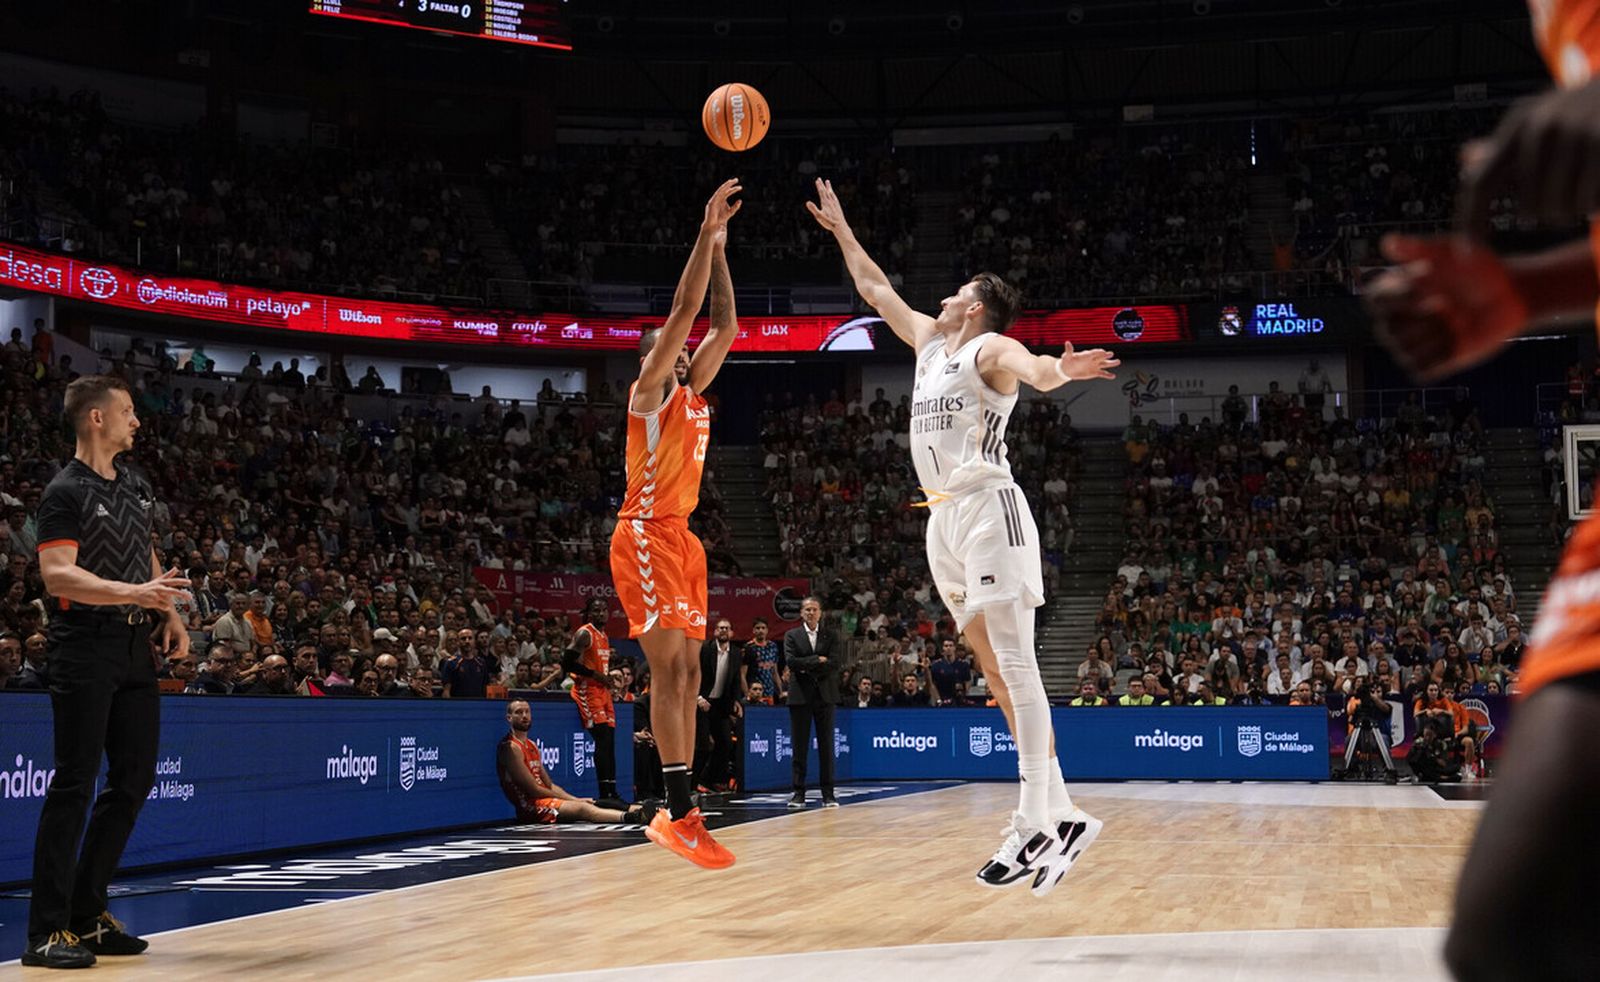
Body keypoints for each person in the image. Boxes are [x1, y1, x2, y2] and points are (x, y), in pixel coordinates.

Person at [810, 176, 1115, 896]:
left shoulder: (990, 349)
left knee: (1017, 662)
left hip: (988, 509)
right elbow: (876, 289)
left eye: (955, 291)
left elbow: (1033, 368)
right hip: (941, 517)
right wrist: (843, 231)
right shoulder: (928, 344)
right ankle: (1064, 811)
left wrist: (1058, 371)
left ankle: (1034, 819)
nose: (942, 296)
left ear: (974, 307)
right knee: (995, 670)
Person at [23, 375, 192, 969]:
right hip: (82, 646)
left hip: (131, 649)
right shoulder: (63, 492)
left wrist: (166, 610)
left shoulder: (137, 485)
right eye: (127, 412)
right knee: (74, 783)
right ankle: (45, 932)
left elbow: (143, 550)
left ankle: (87, 916)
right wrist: (135, 593)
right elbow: (58, 575)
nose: (136, 421)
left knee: (134, 778)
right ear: (96, 419)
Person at [607, 179, 742, 869]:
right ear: (651, 356)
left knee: (690, 671)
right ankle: (678, 809)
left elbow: (726, 325)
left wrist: (720, 248)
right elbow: (689, 311)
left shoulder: (692, 391)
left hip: (681, 539)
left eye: (683, 350)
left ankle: (684, 810)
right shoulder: (649, 393)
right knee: (667, 669)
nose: (683, 350)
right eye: (669, 346)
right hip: (643, 531)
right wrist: (701, 230)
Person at [496, 701, 654, 826]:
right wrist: (574, 801)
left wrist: (573, 797)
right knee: (582, 808)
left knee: (598, 802)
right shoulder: (510, 748)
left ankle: (650, 812)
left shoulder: (531, 744)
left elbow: (549, 785)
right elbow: (534, 790)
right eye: (519, 712)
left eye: (527, 712)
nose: (524, 716)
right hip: (529, 806)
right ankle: (631, 817)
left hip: (544, 799)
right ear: (509, 718)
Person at [782, 597, 841, 808]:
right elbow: (791, 662)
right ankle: (798, 793)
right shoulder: (792, 635)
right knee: (799, 747)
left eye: (814, 609)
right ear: (801, 613)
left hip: (825, 696)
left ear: (820, 613)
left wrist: (806, 664)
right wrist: (817, 660)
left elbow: (834, 663)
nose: (811, 613)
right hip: (800, 697)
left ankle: (829, 794)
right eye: (807, 609)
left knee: (826, 747)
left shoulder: (831, 635)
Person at [563, 598, 621, 806]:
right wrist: (594, 674)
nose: (601, 614)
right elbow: (566, 661)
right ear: (589, 613)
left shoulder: (603, 635)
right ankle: (604, 792)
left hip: (603, 691)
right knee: (603, 739)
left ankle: (612, 792)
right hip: (588, 690)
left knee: (610, 740)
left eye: (604, 610)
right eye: (596, 610)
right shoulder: (584, 633)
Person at [695, 618, 742, 793]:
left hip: (721, 704)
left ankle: (711, 781)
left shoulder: (736, 653)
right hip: (701, 702)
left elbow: (736, 680)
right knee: (703, 745)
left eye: (727, 628)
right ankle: (694, 784)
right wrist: (698, 697)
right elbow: (694, 674)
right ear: (715, 632)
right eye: (720, 628)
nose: (723, 631)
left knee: (725, 743)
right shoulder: (705, 649)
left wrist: (736, 700)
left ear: (731, 633)